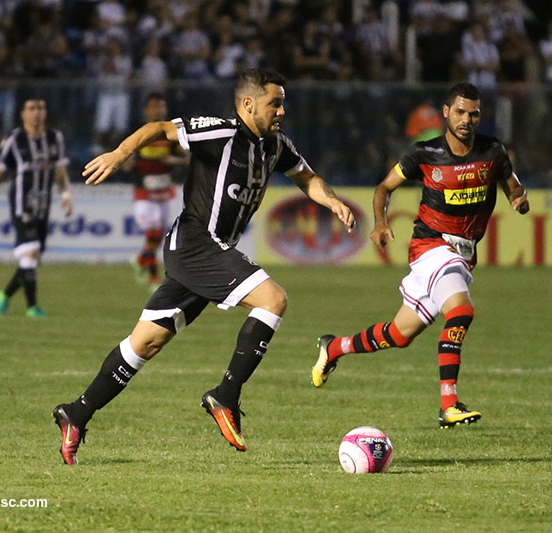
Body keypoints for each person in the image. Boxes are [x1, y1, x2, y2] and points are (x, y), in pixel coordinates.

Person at [53, 68, 355, 464]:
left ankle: (76, 412)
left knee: (145, 343)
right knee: (273, 299)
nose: (282, 110)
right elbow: (159, 128)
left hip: (207, 253)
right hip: (195, 243)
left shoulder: (276, 145)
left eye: (283, 102)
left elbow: (306, 176)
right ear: (248, 104)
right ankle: (225, 396)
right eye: (274, 102)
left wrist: (330, 200)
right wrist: (119, 153)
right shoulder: (221, 132)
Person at [311, 82, 529, 428]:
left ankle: (334, 347)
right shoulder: (424, 154)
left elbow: (511, 182)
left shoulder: (493, 151)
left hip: (462, 253)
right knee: (460, 312)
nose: (466, 120)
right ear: (446, 112)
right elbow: (384, 187)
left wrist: (517, 197)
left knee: (399, 334)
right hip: (431, 247)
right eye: (460, 112)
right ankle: (449, 404)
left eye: (473, 114)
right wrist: (381, 223)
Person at [0, 98, 73, 318]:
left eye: (41, 108)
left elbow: (60, 170)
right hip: (22, 206)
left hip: (43, 206)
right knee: (30, 252)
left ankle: (4, 294)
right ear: (23, 114)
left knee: (32, 259)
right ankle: (32, 307)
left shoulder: (54, 138)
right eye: (32, 108)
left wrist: (66, 195)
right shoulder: (14, 140)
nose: (37, 113)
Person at [121, 93, 188, 291]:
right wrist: (136, 163)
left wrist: (174, 160)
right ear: (147, 111)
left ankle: (141, 259)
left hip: (165, 190)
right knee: (152, 234)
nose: (159, 110)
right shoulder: (138, 133)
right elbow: (125, 161)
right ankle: (153, 278)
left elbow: (185, 158)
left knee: (160, 235)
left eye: (162, 106)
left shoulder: (171, 134)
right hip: (144, 191)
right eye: (155, 106)